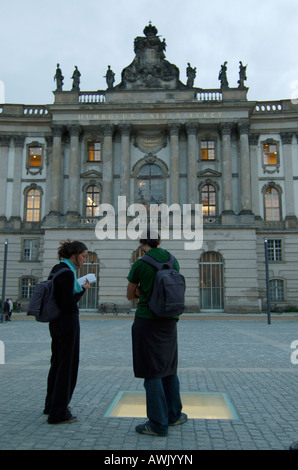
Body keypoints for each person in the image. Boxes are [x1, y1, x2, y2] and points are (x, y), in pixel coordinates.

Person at [126, 229, 187, 437]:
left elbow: (129, 295)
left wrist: (142, 291)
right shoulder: (173, 260)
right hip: (169, 320)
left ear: (142, 243)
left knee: (151, 372)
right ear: (159, 241)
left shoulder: (140, 263)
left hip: (147, 320)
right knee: (169, 368)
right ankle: (174, 415)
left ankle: (157, 424)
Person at [44, 240, 90, 424]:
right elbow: (68, 305)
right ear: (74, 255)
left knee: (56, 363)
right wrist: (83, 291)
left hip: (56, 323)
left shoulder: (57, 268)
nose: (85, 260)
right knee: (67, 366)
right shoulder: (67, 273)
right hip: (67, 323)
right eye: (84, 256)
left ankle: (51, 405)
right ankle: (59, 412)